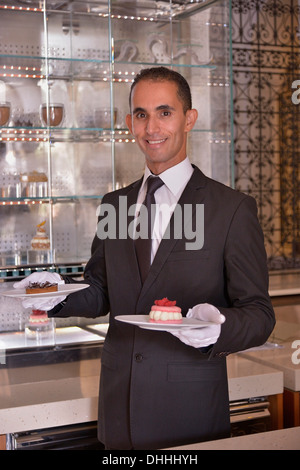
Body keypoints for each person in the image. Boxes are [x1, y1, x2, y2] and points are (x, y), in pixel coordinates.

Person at [14, 66, 275, 450]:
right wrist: (53, 293)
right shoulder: (114, 205)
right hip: (119, 409)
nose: (152, 127)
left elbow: (259, 313)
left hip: (189, 415)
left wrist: (217, 328)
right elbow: (102, 290)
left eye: (164, 112)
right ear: (130, 123)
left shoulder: (231, 209)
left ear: (189, 119)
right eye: (141, 114)